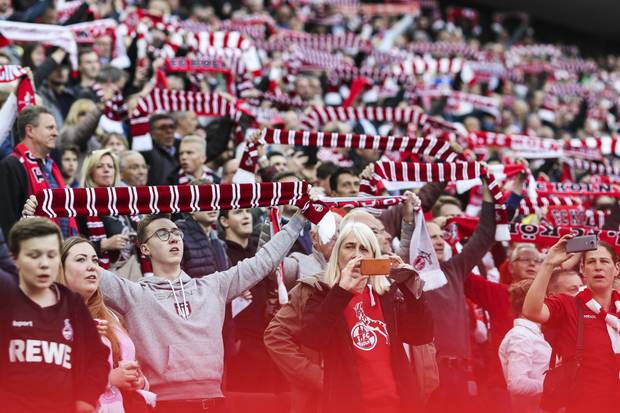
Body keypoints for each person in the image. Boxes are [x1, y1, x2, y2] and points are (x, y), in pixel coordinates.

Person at [98, 211, 307, 411]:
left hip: (215, 400)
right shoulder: (133, 294)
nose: (173, 238)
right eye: (162, 234)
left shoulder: (213, 286)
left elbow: (263, 262)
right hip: (162, 405)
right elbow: (85, 270)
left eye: (176, 233)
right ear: (145, 248)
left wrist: (300, 219)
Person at [299, 222, 433, 413]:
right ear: (337, 254)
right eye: (349, 247)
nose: (357, 255)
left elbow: (421, 335)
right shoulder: (322, 294)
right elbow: (312, 340)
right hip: (349, 406)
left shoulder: (386, 295)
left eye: (364, 249)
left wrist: (410, 288)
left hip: (397, 404)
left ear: (373, 257)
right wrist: (341, 292)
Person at [0, 218, 109, 412]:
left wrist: (86, 399)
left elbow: (98, 357)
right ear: (15, 258)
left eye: (51, 255)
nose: (44, 263)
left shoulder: (73, 304)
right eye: (34, 255)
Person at [523, 235, 620, 412]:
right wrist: (548, 264)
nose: (598, 266)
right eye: (591, 262)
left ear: (617, 268)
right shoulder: (568, 304)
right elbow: (531, 311)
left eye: (604, 261)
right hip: (582, 406)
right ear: (583, 270)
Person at [59, 237, 152, 412]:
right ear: (60, 268)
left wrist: (138, 380)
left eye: (95, 260)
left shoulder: (111, 316)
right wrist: (108, 379)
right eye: (81, 259)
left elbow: (127, 370)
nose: (92, 266)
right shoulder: (49, 318)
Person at [0, 105, 78, 238]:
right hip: (33, 246)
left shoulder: (53, 167)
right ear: (30, 130)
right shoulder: (11, 165)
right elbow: (8, 219)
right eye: (50, 128)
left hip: (62, 246)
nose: (55, 133)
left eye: (55, 128)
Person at [78, 149, 142, 279]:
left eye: (110, 166)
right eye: (99, 166)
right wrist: (104, 245)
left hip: (131, 270)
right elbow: (73, 244)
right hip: (100, 274)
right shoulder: (81, 204)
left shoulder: (124, 201)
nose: (106, 170)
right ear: (90, 172)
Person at [498, 279, 551, 412]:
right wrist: (551, 386)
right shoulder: (520, 335)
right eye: (546, 300)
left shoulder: (531, 334)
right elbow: (517, 384)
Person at [141, 114, 179, 185]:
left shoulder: (182, 149)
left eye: (172, 127)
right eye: (163, 128)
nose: (169, 131)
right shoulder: (146, 153)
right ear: (151, 132)